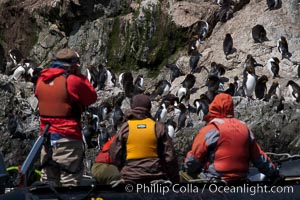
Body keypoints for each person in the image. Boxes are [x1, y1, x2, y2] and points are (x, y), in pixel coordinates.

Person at [35, 48, 97, 187]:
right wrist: (80, 75)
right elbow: (91, 97)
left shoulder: (41, 79)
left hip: (45, 138)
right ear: (74, 64)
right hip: (67, 137)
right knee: (70, 181)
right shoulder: (73, 80)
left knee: (48, 182)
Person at [184, 93, 279, 182]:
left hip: (215, 179)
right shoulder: (244, 128)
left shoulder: (210, 130)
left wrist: (187, 167)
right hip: (241, 179)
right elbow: (258, 157)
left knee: (184, 175)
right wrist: (273, 174)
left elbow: (194, 159)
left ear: (213, 107)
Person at [110, 94, 179, 183]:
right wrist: (173, 179)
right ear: (149, 107)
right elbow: (170, 156)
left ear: (132, 107)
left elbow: (115, 154)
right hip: (155, 176)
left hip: (130, 177)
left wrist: (123, 170)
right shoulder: (158, 127)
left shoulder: (125, 128)